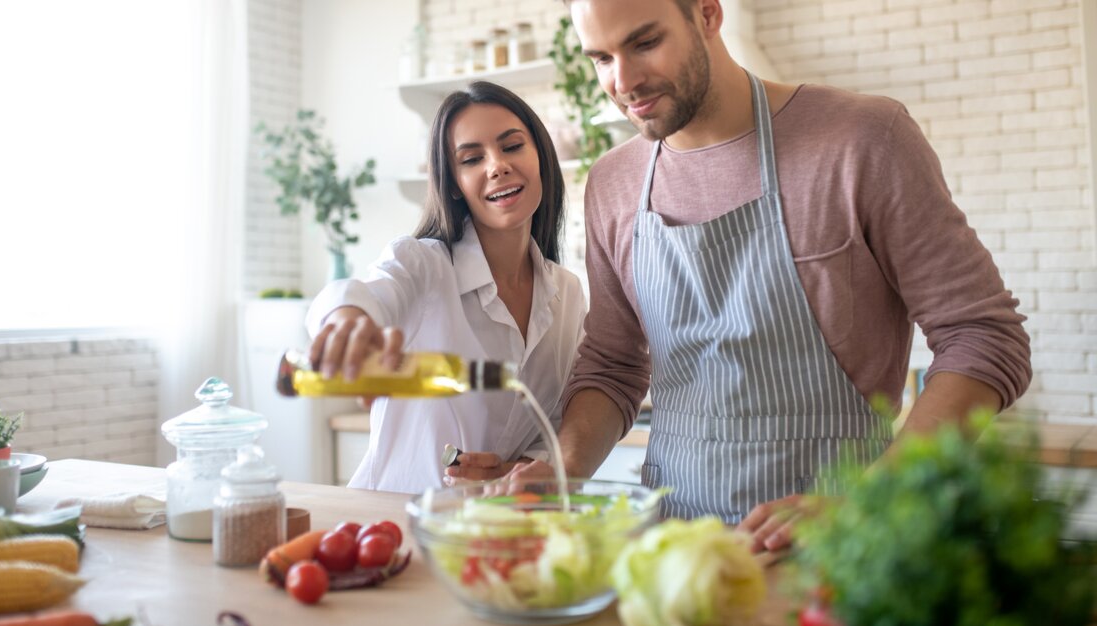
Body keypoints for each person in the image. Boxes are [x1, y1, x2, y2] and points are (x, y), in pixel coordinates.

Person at [504, 0, 1031, 550]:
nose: (624, 81)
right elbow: (613, 364)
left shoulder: (863, 141)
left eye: (644, 43)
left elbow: (984, 337)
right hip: (676, 557)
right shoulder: (613, 182)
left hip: (846, 550)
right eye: (601, 58)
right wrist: (561, 471)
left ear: (707, 13)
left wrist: (869, 502)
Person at [303, 81, 586, 494]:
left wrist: (517, 469)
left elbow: (556, 424)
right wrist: (348, 320)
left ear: (540, 156)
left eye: (512, 147)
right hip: (393, 523)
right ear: (454, 184)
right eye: (472, 158)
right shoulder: (423, 266)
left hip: (494, 530)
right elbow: (368, 293)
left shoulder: (568, 294)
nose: (496, 166)